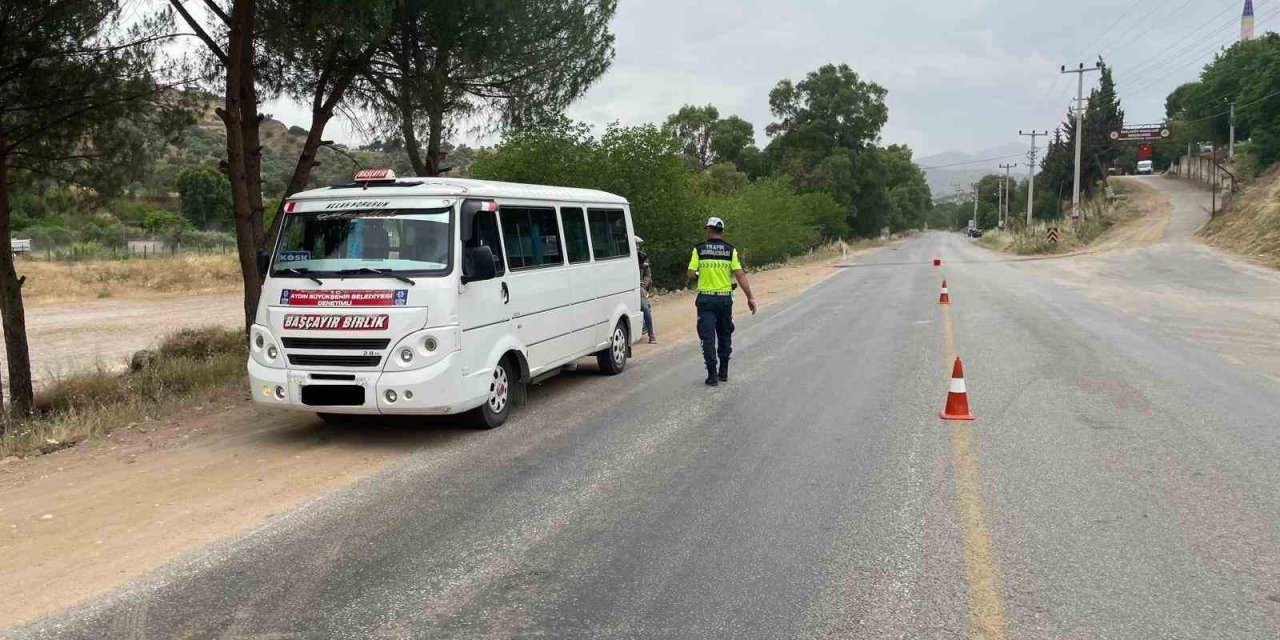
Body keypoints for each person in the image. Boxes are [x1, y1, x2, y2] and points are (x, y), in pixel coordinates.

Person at [686, 217, 756, 386]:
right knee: (725, 334)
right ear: (722, 232)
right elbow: (739, 274)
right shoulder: (730, 250)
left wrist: (698, 277)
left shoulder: (699, 249)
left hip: (706, 299)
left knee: (707, 336)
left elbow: (690, 273)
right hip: (725, 299)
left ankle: (712, 375)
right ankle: (723, 371)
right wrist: (750, 297)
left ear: (709, 230)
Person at [636, 236, 656, 344]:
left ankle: (651, 334)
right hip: (628, 288)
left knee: (644, 307)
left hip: (639, 288)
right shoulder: (625, 257)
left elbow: (648, 275)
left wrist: (642, 285)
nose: (638, 248)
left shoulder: (642, 258)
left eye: (639, 246)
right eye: (637, 245)